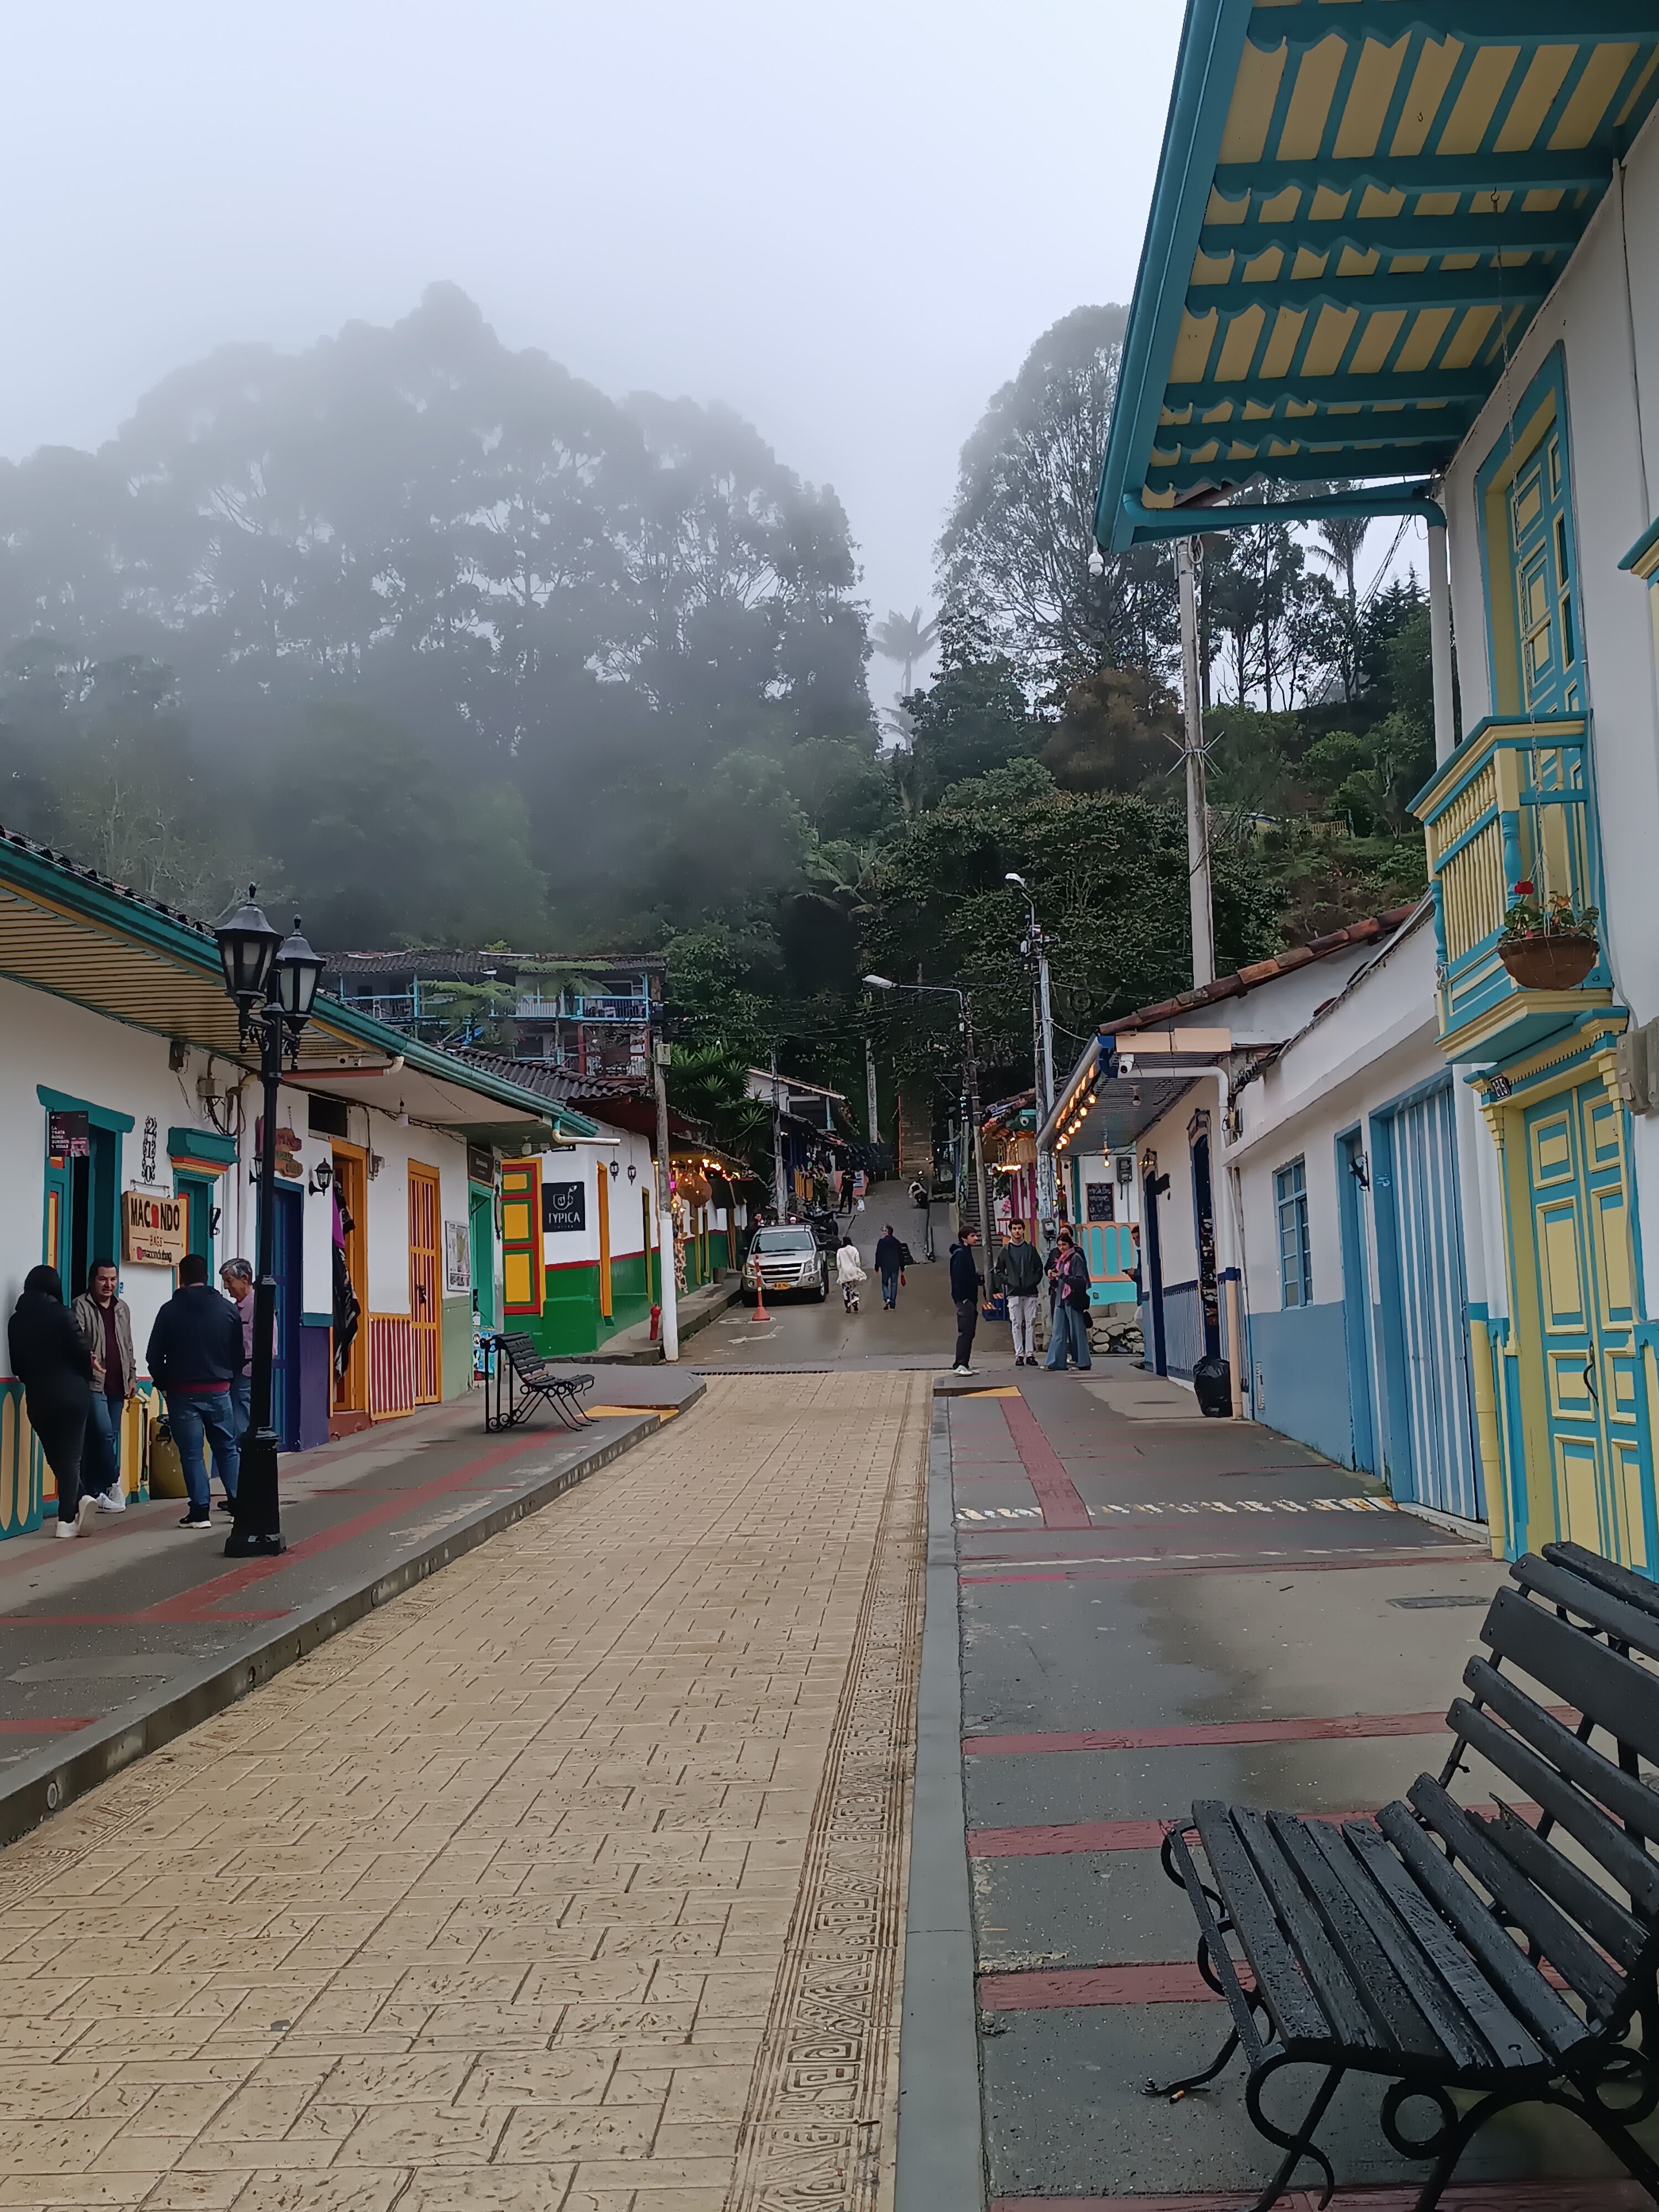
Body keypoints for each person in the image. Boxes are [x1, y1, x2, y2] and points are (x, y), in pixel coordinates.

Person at [147, 1253, 245, 1528]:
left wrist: (164, 1384)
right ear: (207, 1278)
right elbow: (239, 1354)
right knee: (227, 1449)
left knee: (191, 1453)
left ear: (182, 1277)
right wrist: (229, 1380)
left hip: (182, 1393)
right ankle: (238, 1504)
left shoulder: (169, 1310)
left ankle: (200, 1512)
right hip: (219, 1390)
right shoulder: (227, 1310)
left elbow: (154, 1355)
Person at [9, 1266, 98, 1538]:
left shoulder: (15, 1322)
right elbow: (82, 1352)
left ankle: (82, 1498)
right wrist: (86, 1376)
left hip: (38, 1397)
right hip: (72, 1394)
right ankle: (66, 1521)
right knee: (71, 1458)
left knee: (56, 1456)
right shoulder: (63, 1314)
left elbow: (18, 1367)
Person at [71, 1260, 135, 1514]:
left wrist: (131, 1375)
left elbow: (128, 1344)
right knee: (102, 1433)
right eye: (103, 1279)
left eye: (112, 1280)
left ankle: (95, 1492)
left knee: (107, 1438)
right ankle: (113, 1481)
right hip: (93, 1383)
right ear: (92, 1281)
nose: (109, 1285)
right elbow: (77, 1339)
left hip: (118, 1384)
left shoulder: (122, 1308)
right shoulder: (81, 1305)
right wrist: (88, 1358)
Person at [993, 1219, 1045, 1368]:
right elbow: (998, 1271)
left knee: (1030, 1323)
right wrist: (1009, 1281)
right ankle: (1019, 1354)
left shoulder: (1030, 1249)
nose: (1017, 1231)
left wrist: (1033, 1281)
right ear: (1011, 1231)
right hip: (1014, 1291)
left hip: (1030, 1292)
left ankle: (1030, 1354)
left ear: (1023, 1230)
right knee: (1016, 1323)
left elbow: (1039, 1268)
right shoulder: (1006, 1250)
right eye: (1014, 1228)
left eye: (1019, 1228)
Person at [1045, 1229, 1094, 1372]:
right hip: (1060, 1298)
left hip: (1073, 1298)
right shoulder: (1061, 1261)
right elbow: (1058, 1280)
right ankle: (1055, 1362)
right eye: (1059, 1245)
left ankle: (1083, 1361)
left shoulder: (1076, 1258)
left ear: (1070, 1245)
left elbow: (1081, 1281)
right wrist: (1053, 1279)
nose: (1062, 1248)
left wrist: (1063, 1277)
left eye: (1064, 1245)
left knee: (1077, 1331)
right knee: (1058, 1330)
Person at [220, 1258, 255, 1444]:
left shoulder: (257, 1305)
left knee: (243, 1424)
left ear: (244, 1279)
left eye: (229, 1281)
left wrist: (248, 1370)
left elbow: (269, 1345)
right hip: (234, 1372)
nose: (227, 1286)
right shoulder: (235, 1308)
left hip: (247, 1372)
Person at [948, 1226, 984, 1376]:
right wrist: (962, 1298)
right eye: (972, 1236)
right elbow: (957, 1278)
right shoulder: (960, 1254)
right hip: (965, 1300)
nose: (976, 1238)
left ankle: (965, 1363)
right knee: (965, 1331)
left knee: (970, 1332)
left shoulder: (966, 1252)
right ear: (964, 1238)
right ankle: (960, 1364)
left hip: (970, 1299)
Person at [873, 1224, 905, 1311]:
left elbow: (878, 1255)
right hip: (895, 1266)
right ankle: (893, 1304)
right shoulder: (897, 1242)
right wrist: (902, 1267)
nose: (883, 1232)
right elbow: (901, 1256)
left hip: (885, 1266)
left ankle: (887, 1298)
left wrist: (877, 1266)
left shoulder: (882, 1242)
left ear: (888, 1232)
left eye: (884, 1231)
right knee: (894, 1284)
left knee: (885, 1283)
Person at [836, 1235, 867, 1313]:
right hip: (853, 1272)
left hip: (844, 1273)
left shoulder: (840, 1251)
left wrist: (840, 1270)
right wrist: (857, 1267)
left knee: (846, 1290)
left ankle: (848, 1307)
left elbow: (838, 1264)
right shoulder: (854, 1249)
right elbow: (858, 1262)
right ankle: (855, 1300)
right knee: (853, 1288)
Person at [910, 1176, 935, 1260]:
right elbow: (920, 1193)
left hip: (922, 1205)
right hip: (923, 1206)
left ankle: (927, 1252)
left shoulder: (914, 1187)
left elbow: (912, 1194)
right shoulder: (917, 1187)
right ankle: (927, 1252)